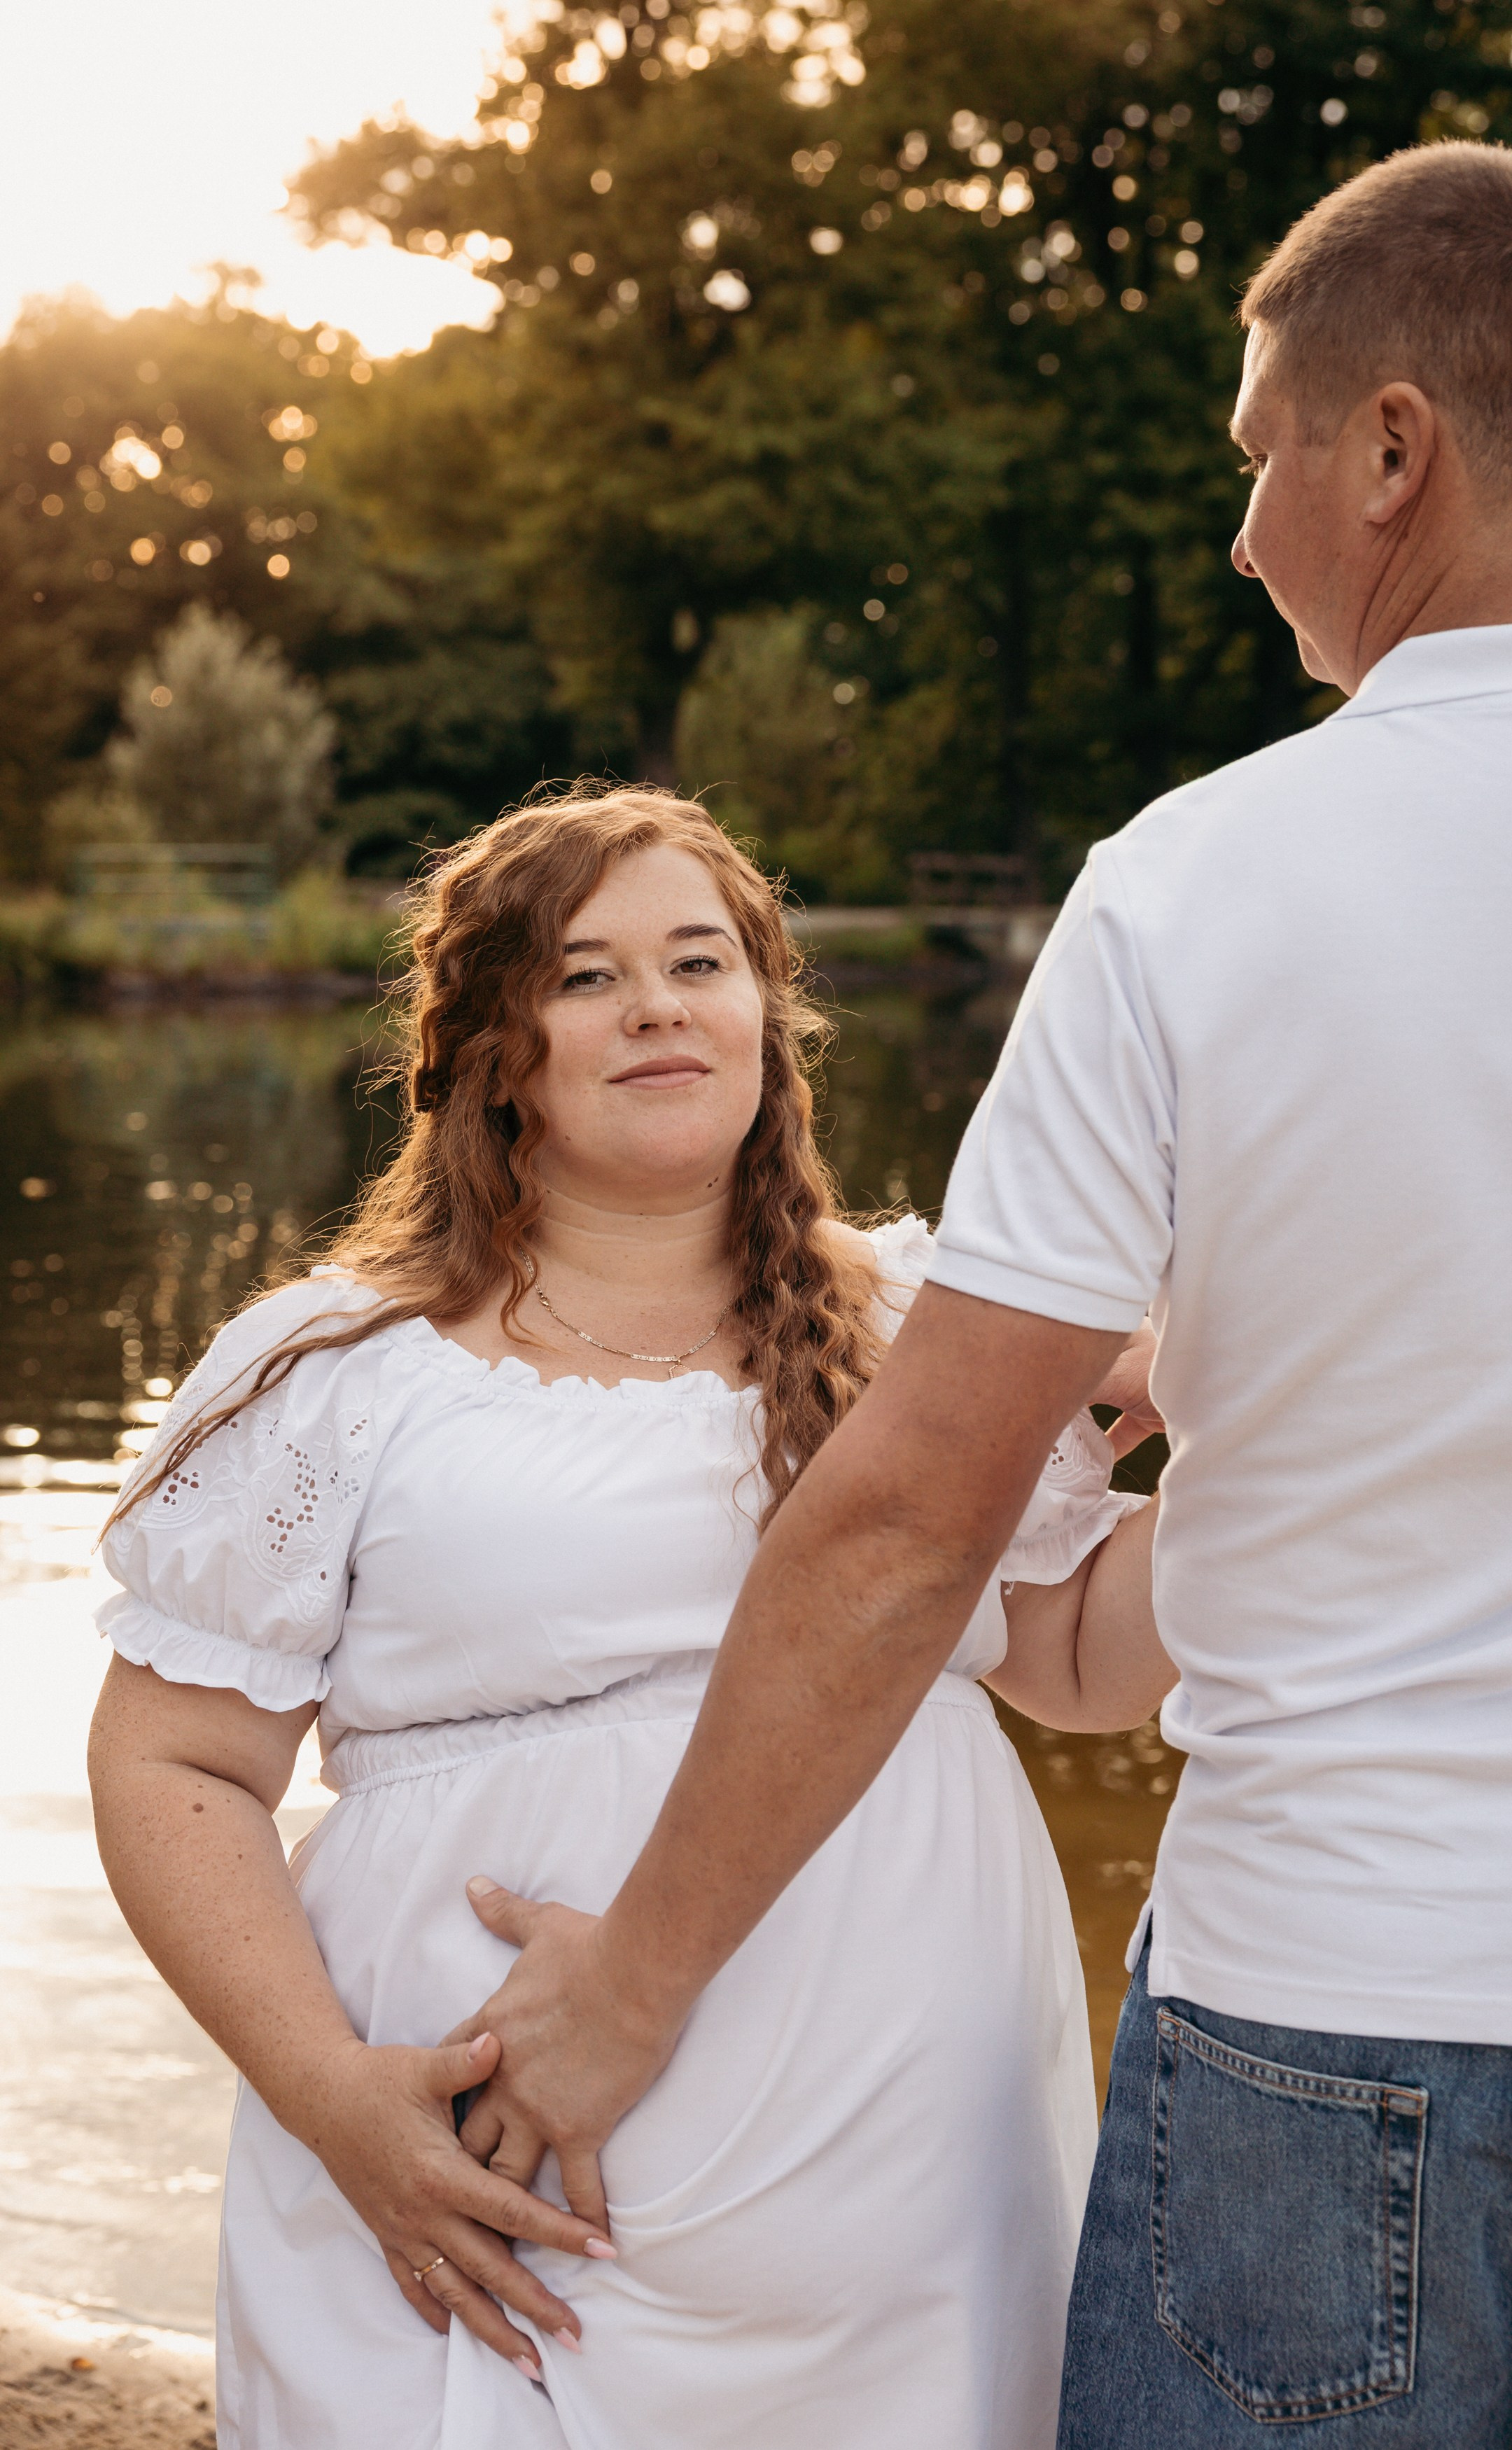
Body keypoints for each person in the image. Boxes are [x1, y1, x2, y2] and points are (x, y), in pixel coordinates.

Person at [454, 144, 1512, 2446]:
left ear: (1392, 449)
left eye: (1258, 456)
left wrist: (636, 1989)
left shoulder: (1197, 893)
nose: (1239, 531)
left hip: (1333, 2001)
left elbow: (906, 1525)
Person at [86, 788, 1170, 2450]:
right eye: (588, 978)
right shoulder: (338, 1370)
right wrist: (332, 2099)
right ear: (490, 1053)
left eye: (700, 960)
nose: (659, 1004)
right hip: (476, 2187)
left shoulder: (920, 1326)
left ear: (769, 1019)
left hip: (900, 2187)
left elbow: (1083, 1662)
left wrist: (1272, 1422)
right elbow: (174, 1759)